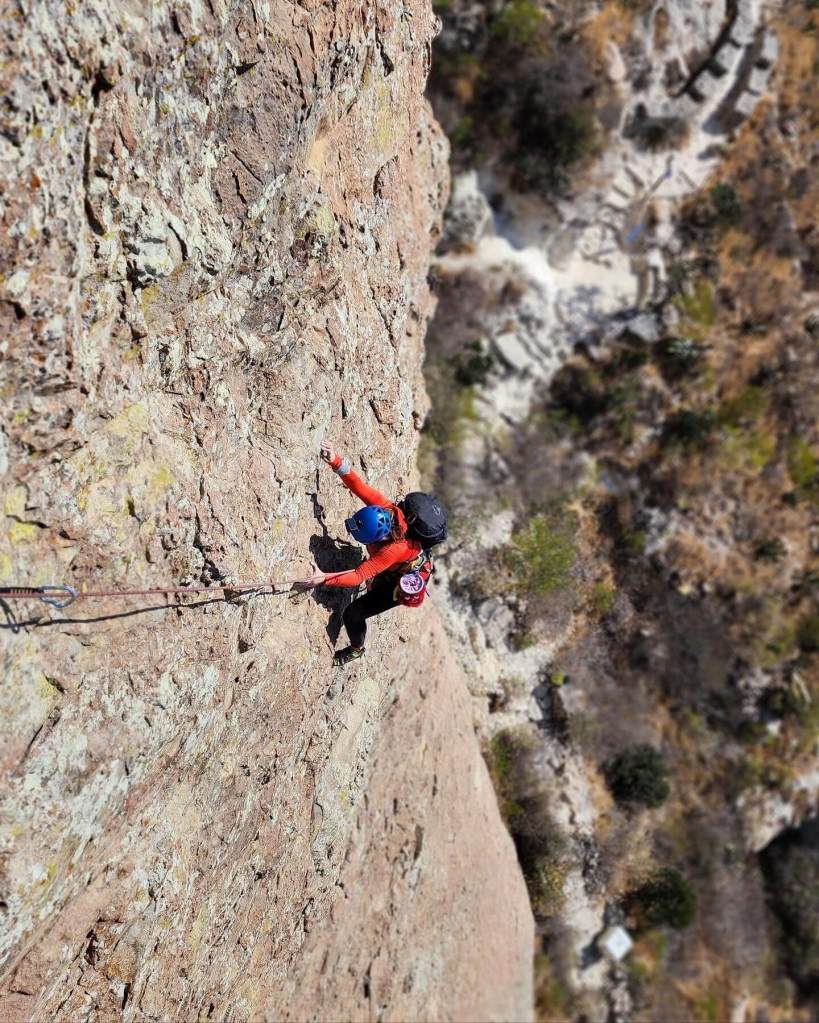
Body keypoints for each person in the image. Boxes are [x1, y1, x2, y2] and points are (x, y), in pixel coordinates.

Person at [295, 445, 447, 666]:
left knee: (353, 614)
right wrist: (336, 461)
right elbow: (359, 487)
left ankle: (356, 649)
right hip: (396, 566)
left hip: (400, 582)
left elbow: (358, 576)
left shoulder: (395, 549)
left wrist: (323, 578)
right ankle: (380, 582)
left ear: (378, 538)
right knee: (374, 582)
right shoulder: (386, 509)